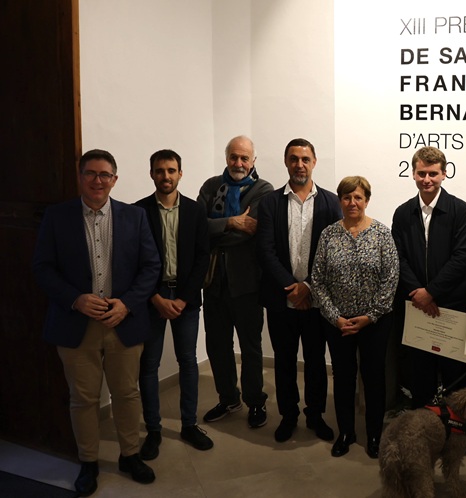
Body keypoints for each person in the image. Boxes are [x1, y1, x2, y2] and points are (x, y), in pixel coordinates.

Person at [32, 149, 161, 495]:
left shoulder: (134, 216)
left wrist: (128, 304)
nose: (97, 180)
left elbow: (151, 266)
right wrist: (75, 299)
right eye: (90, 173)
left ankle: (130, 455)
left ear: (114, 180)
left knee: (127, 393)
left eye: (105, 174)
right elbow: (42, 267)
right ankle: (88, 461)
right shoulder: (57, 217)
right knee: (83, 398)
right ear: (80, 177)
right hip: (76, 324)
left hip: (123, 322)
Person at [257, 138, 341, 443]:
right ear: (286, 162)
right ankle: (288, 415)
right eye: (294, 159)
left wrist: (308, 287)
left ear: (314, 162)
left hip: (317, 301)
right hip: (281, 299)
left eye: (305, 159)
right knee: (284, 361)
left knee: (316, 361)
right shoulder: (269, 203)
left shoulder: (332, 202)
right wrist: (291, 288)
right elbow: (265, 250)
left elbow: (335, 253)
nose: (300, 165)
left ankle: (315, 415)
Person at [311, 176, 399, 459]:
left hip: (375, 323)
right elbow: (318, 281)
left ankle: (374, 434)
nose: (352, 202)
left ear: (367, 200)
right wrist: (335, 317)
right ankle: (346, 432)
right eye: (347, 197)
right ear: (340, 201)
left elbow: (391, 280)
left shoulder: (382, 234)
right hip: (338, 323)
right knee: (343, 377)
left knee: (374, 378)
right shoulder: (328, 235)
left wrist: (370, 316)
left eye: (358, 197)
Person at [135, 149, 213, 460]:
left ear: (180, 173)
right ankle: (153, 430)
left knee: (188, 362)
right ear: (151, 174)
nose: (165, 176)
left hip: (186, 300)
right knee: (149, 365)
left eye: (171, 170)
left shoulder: (196, 211)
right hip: (151, 299)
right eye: (159, 170)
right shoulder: (138, 212)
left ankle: (189, 425)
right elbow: (134, 261)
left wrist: (182, 298)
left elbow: (202, 258)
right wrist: (154, 297)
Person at [198, 135, 274, 428]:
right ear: (226, 158)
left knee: (251, 348)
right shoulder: (210, 187)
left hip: (247, 283)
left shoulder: (263, 190)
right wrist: (231, 222)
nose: (239, 163)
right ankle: (228, 398)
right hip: (213, 282)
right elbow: (196, 228)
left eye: (244, 158)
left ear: (253, 161)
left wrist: (215, 230)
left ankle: (255, 401)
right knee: (218, 346)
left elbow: (251, 231)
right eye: (234, 157)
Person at [391, 146, 466, 408]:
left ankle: (455, 426)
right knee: (420, 376)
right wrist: (419, 293)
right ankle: (422, 426)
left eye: (433, 174)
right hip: (417, 306)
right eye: (421, 173)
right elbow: (398, 257)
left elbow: (462, 257)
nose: (426, 179)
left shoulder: (461, 210)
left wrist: (431, 292)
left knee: (455, 377)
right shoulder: (402, 213)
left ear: (444, 174)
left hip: (451, 306)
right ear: (413, 174)